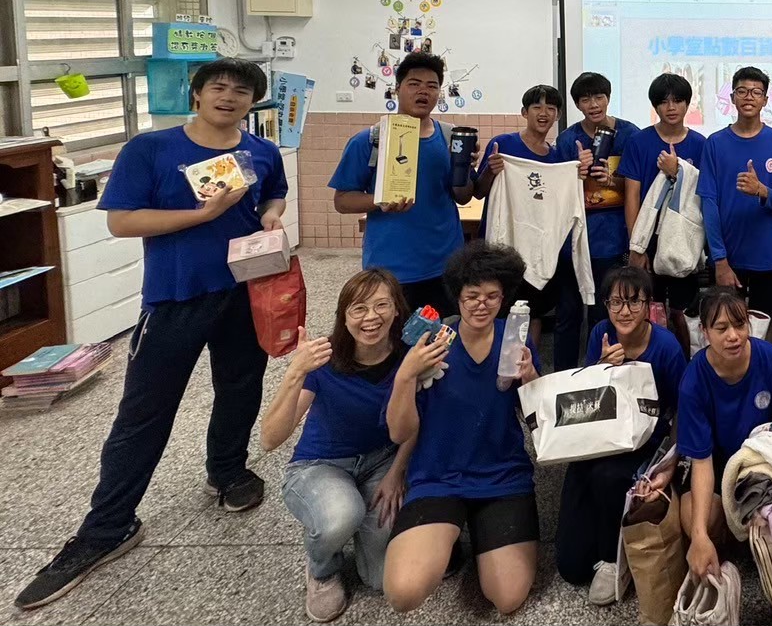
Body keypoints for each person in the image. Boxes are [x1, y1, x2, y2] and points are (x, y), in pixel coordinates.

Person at [14, 59, 288, 612]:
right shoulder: (152, 149)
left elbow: (274, 194)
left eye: (242, 91)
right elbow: (122, 221)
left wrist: (270, 216)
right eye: (218, 87)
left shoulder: (261, 152)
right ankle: (107, 526)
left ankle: (227, 471)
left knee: (240, 387)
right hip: (175, 298)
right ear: (197, 93)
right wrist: (201, 215)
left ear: (253, 101)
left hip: (245, 291)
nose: (229, 97)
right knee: (145, 410)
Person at [382, 242, 540, 616]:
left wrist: (531, 377)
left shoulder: (515, 339)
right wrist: (406, 375)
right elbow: (400, 432)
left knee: (507, 597)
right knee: (404, 592)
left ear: (504, 298)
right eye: (472, 296)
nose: (481, 305)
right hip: (439, 476)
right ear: (457, 296)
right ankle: (451, 533)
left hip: (502, 476)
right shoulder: (434, 342)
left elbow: (537, 418)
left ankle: (480, 533)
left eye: (492, 296)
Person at [261, 270, 413, 622]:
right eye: (358, 308)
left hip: (382, 463)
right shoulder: (324, 358)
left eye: (381, 305)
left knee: (379, 580)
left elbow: (415, 423)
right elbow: (269, 439)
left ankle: (355, 526)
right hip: (321, 465)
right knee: (341, 515)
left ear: (396, 310)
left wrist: (397, 473)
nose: (371, 317)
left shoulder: (408, 357)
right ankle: (322, 569)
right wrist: (295, 373)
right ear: (343, 317)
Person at [556, 265, 687, 603]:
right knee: (571, 567)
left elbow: (683, 408)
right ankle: (593, 542)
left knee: (608, 476)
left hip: (644, 439)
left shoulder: (666, 346)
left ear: (648, 305)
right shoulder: (601, 332)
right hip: (602, 434)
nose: (624, 311)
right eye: (615, 302)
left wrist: (669, 462)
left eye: (633, 302)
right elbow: (585, 398)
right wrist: (600, 368)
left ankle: (612, 559)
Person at [329, 52, 469, 317]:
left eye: (432, 86)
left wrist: (464, 166)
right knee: (394, 337)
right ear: (397, 88)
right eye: (414, 84)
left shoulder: (451, 137)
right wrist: (380, 200)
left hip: (446, 264)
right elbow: (342, 201)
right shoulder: (368, 140)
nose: (423, 91)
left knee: (445, 336)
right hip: (391, 268)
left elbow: (463, 196)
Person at [677, 288, 772, 580]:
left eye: (740, 324)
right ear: (704, 331)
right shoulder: (693, 381)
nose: (733, 336)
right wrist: (699, 535)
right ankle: (725, 541)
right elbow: (702, 460)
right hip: (717, 462)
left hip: (763, 460)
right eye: (721, 329)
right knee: (698, 518)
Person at [472, 84, 590, 366]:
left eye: (551, 108)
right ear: (524, 112)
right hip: (503, 246)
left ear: (557, 115)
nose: (544, 113)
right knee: (500, 309)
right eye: (537, 107)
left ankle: (528, 369)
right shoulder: (504, 145)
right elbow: (478, 191)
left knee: (533, 311)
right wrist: (491, 171)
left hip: (539, 249)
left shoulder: (558, 156)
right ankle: (493, 370)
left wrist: (579, 171)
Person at [696, 67, 772, 329]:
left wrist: (761, 190)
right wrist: (719, 259)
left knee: (764, 326)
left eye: (756, 92)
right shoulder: (715, 143)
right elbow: (709, 204)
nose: (749, 97)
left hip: (767, 253)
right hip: (729, 255)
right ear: (732, 97)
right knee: (726, 325)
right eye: (742, 91)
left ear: (765, 99)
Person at [619, 73, 708, 348]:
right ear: (655, 106)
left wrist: (679, 170)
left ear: (688, 104)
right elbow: (632, 196)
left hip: (684, 239)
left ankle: (685, 361)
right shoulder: (639, 142)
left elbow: (704, 195)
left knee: (684, 312)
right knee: (648, 309)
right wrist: (637, 247)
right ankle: (651, 359)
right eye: (664, 101)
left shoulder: (700, 144)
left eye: (678, 101)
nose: (671, 107)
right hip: (650, 239)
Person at [555, 72, 638, 337]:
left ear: (608, 98)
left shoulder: (630, 135)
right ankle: (564, 363)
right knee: (567, 312)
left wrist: (611, 180)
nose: (593, 104)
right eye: (585, 99)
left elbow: (641, 187)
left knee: (605, 311)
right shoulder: (567, 140)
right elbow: (557, 193)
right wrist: (575, 174)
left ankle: (603, 359)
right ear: (577, 105)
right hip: (574, 240)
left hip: (614, 238)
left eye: (599, 97)